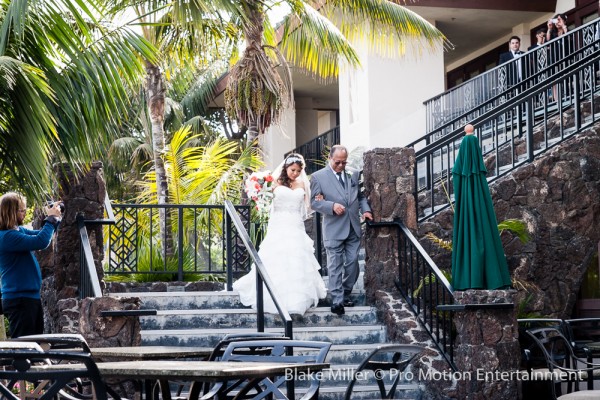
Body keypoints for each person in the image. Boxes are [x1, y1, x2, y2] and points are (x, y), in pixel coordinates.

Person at [233, 154, 327, 315]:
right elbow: (264, 199)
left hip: (296, 223)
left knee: (297, 258)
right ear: (286, 168)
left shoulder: (303, 184)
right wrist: (259, 195)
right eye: (293, 170)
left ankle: (297, 301)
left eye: (298, 170)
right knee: (278, 256)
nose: (295, 173)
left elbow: (307, 206)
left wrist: (319, 198)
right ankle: (274, 297)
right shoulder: (273, 182)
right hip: (278, 223)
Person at [310, 145, 373, 316]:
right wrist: (331, 206)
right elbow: (314, 203)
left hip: (353, 227)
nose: (341, 165)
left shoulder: (352, 175)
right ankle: (337, 301)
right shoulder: (318, 177)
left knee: (352, 263)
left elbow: (359, 197)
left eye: (343, 162)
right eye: (337, 162)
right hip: (334, 229)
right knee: (335, 266)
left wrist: (366, 210)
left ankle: (345, 292)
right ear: (330, 159)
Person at [0, 192, 62, 337]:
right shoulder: (7, 237)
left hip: (28, 297)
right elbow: (40, 242)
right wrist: (51, 219)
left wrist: (56, 217)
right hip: (19, 299)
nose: (25, 212)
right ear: (11, 212)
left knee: (33, 345)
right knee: (23, 348)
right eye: (22, 210)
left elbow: (41, 234)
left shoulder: (18, 231)